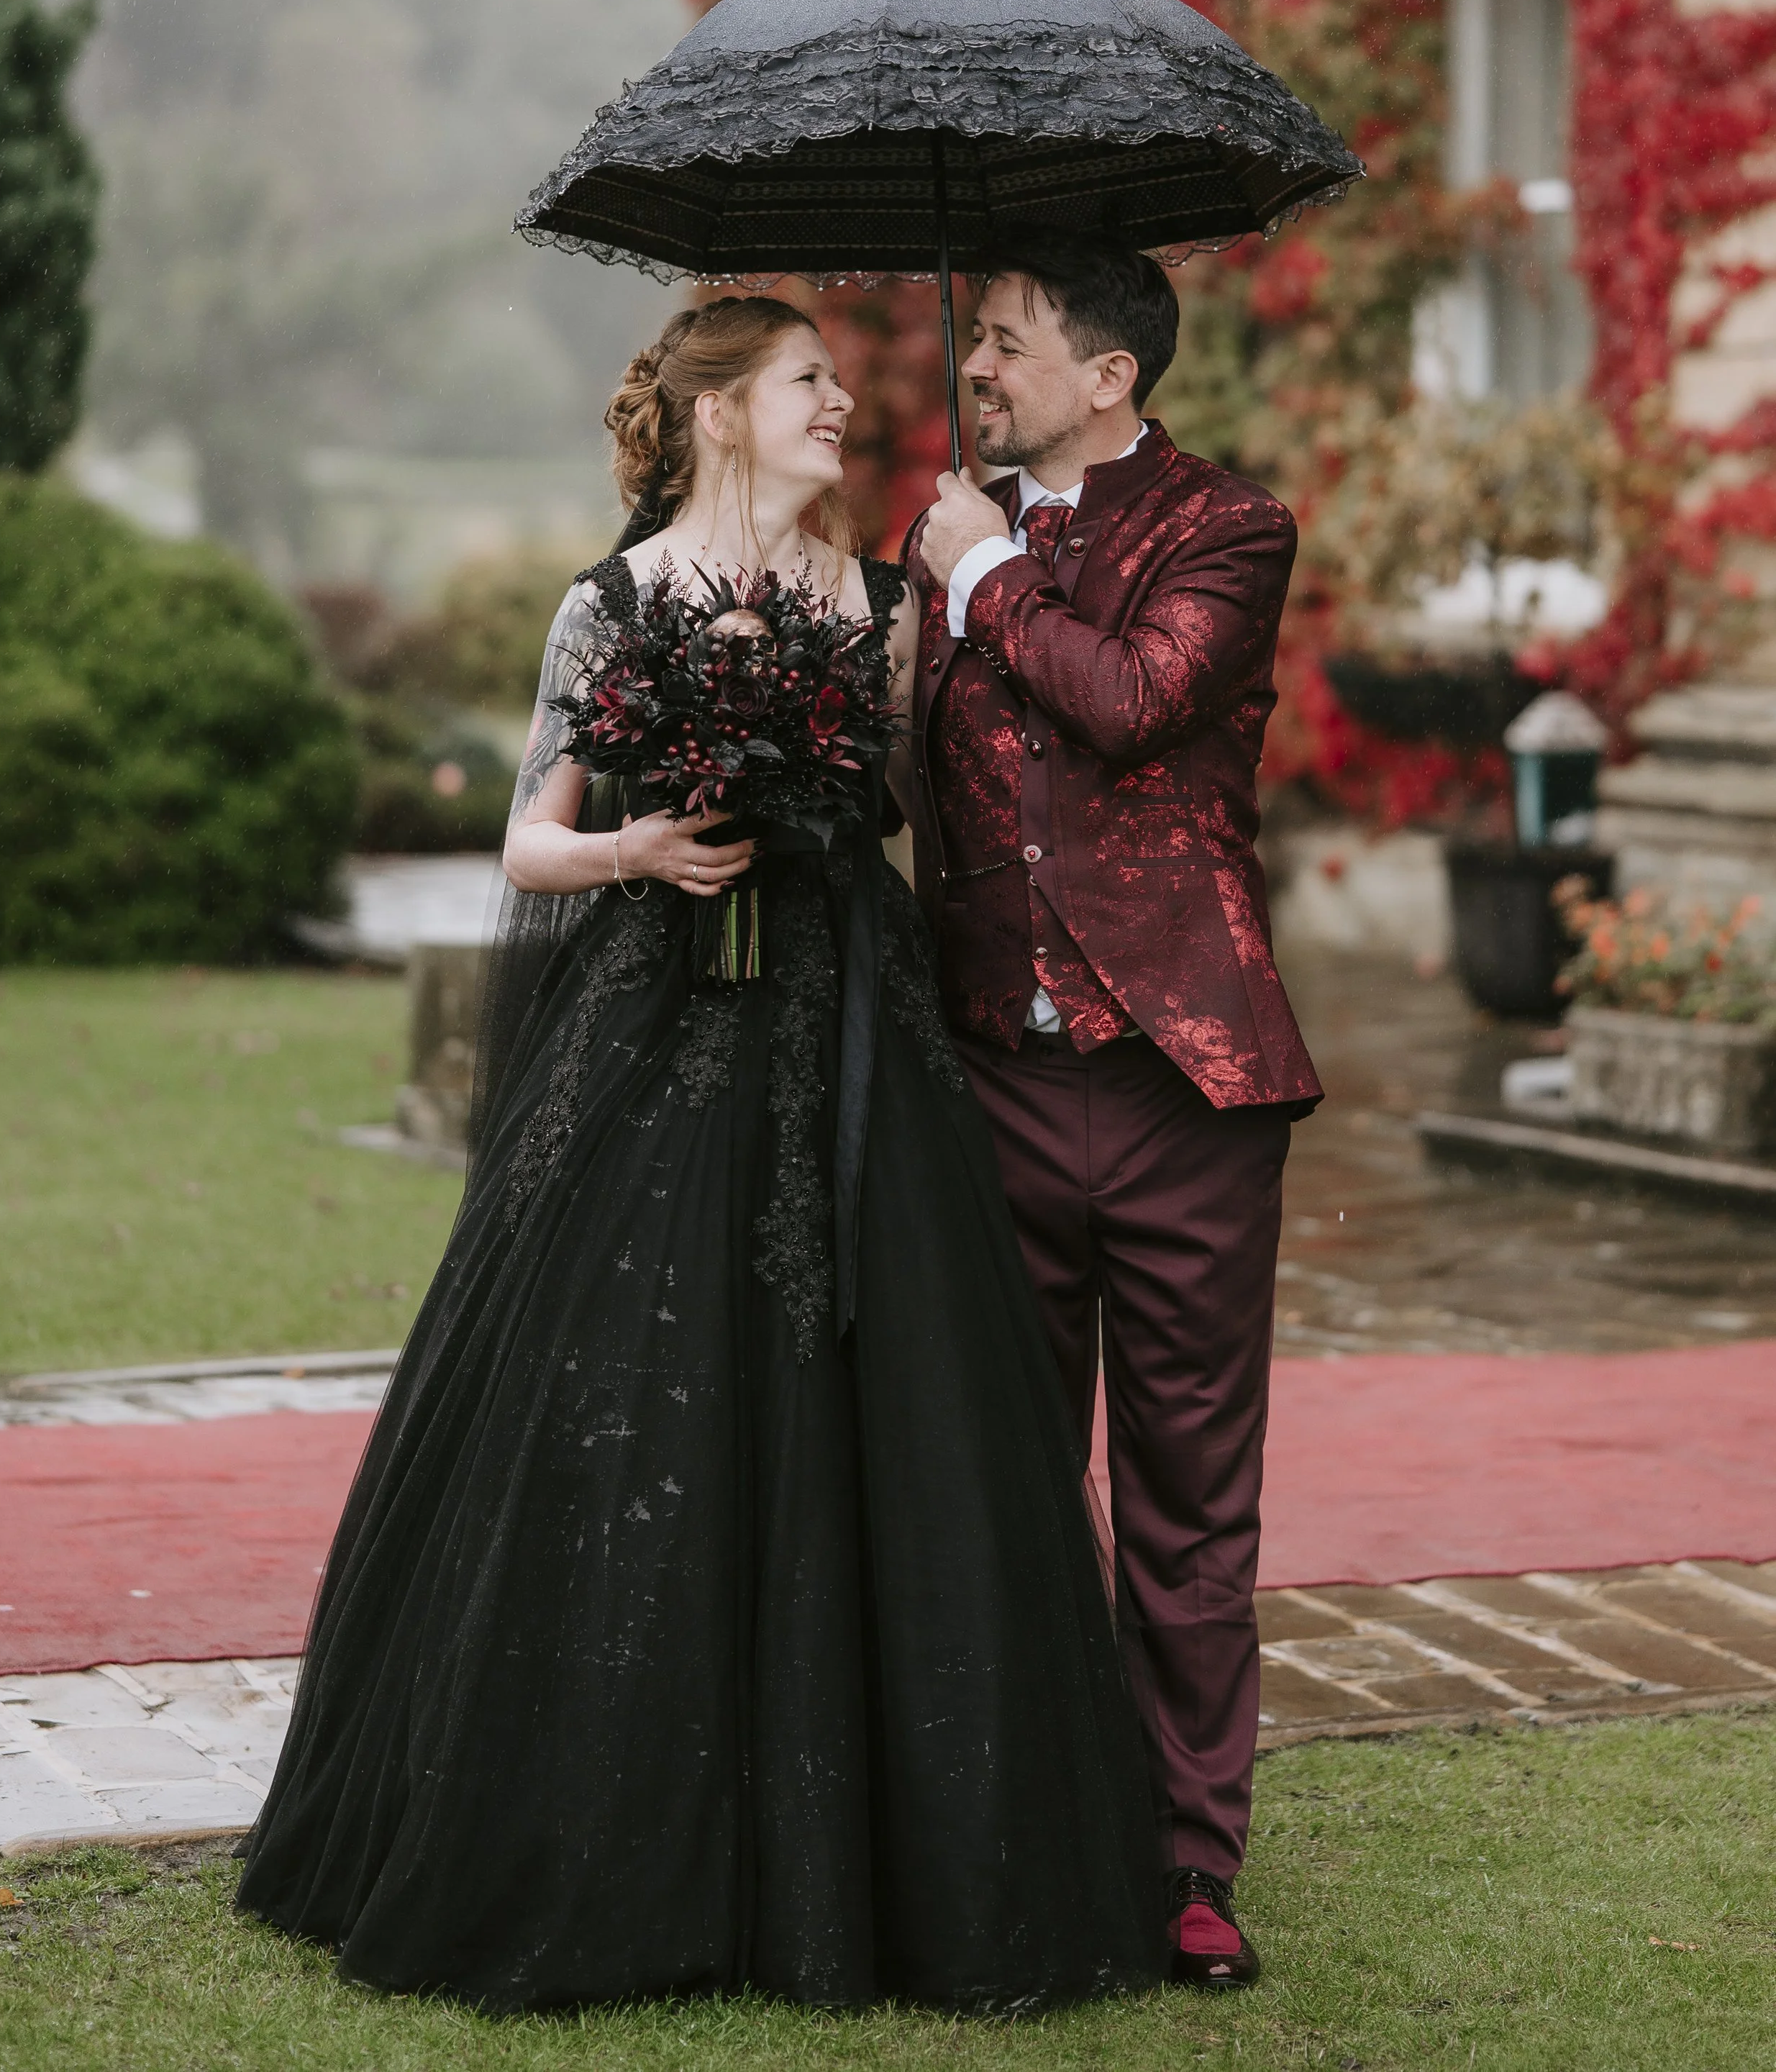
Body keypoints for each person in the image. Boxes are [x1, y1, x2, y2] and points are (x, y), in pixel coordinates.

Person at [237, 293, 1165, 2016]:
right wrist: (644, 847)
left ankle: (891, 1852)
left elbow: (927, 804)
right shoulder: (613, 603)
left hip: (859, 1031)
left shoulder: (883, 601)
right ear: (723, 412)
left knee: (876, 1399)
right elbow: (527, 837)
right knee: (631, 1392)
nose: (848, 404)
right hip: (654, 1029)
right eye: (812, 382)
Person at [906, 230, 1324, 1991]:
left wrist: (987, 570)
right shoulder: (936, 540)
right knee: (994, 1486)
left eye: (1001, 341)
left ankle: (1181, 1866)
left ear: (1108, 377)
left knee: (1182, 1505)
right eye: (975, 335)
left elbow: (1135, 702)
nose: (973, 365)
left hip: (1182, 1088)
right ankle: (1010, 1833)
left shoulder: (1227, 532)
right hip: (984, 1084)